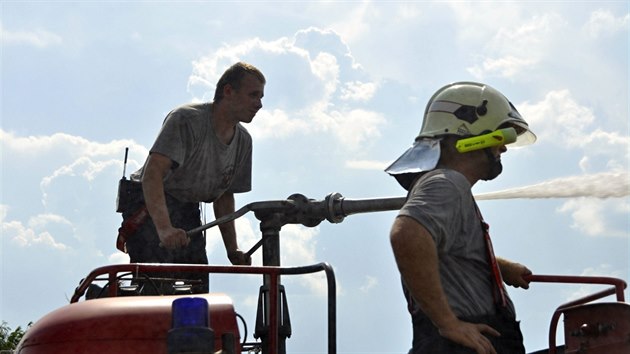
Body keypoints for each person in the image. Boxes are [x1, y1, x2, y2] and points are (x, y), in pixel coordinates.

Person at [386, 82, 537, 354]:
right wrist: (449, 324)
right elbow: (407, 234)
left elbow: (443, 248)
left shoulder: (449, 187)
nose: (503, 148)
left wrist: (497, 267)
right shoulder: (447, 183)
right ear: (469, 135)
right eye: (500, 136)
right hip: (461, 345)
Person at [118, 61, 265, 294]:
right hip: (148, 204)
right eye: (253, 95)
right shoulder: (186, 120)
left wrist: (232, 250)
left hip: (187, 207)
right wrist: (165, 229)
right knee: (154, 287)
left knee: (196, 287)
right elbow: (153, 174)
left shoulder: (243, 142)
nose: (259, 104)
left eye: (261, 97)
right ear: (228, 91)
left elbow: (224, 196)